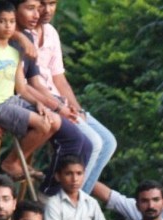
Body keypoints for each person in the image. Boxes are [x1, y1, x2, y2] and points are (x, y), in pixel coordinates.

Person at [32, 0, 117, 193]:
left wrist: (77, 109)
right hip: (43, 102)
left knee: (109, 142)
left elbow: (59, 79)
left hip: (61, 101)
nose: (47, 10)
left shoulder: (51, 32)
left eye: (52, 4)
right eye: (41, 4)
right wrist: (58, 106)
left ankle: (79, 199)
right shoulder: (18, 31)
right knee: (93, 142)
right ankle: (64, 201)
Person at [0, 0, 59, 179]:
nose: (8, 26)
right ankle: (10, 163)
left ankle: (18, 160)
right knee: (43, 124)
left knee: (53, 120)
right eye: (2, 21)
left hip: (11, 100)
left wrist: (39, 103)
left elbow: (22, 88)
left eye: (11, 21)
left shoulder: (14, 52)